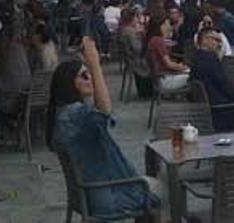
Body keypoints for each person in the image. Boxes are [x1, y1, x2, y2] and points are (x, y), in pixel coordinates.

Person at [47, 37, 160, 219]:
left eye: (89, 74)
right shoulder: (75, 115)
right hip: (108, 196)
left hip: (90, 193)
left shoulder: (63, 115)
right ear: (69, 83)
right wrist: (94, 64)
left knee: (154, 187)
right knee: (168, 191)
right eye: (84, 75)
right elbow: (105, 110)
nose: (89, 78)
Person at [190, 27, 234, 131]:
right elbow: (224, 85)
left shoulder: (197, 58)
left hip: (208, 110)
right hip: (222, 111)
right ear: (205, 40)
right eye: (216, 40)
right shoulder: (210, 59)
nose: (219, 44)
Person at [144, 15, 189, 93]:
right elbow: (169, 64)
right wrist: (181, 67)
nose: (169, 27)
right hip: (164, 80)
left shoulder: (152, 40)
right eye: (166, 24)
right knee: (197, 75)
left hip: (159, 78)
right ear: (161, 26)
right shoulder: (158, 42)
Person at [118, 8, 153, 98]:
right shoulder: (130, 32)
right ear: (132, 19)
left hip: (130, 59)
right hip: (136, 60)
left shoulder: (123, 29)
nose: (138, 20)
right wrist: (142, 37)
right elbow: (138, 48)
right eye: (136, 18)